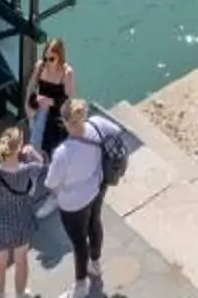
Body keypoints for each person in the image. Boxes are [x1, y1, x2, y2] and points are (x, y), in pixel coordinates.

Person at [44, 95, 116, 298]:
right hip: (97, 188)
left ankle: (80, 286)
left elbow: (50, 183)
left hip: (72, 204)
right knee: (95, 223)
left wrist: (60, 194)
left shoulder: (62, 153)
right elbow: (117, 134)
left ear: (65, 122)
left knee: (78, 242)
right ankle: (95, 263)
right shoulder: (98, 125)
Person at [0, 123, 45, 298]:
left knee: (0, 264)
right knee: (21, 261)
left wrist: (2, 156)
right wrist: (32, 152)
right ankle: (20, 294)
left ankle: (0, 295)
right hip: (21, 221)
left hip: (0, 222)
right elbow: (42, 165)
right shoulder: (28, 170)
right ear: (19, 147)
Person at [28, 37, 73, 153]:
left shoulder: (66, 73)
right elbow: (30, 87)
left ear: (60, 57)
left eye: (52, 59)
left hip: (56, 112)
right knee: (35, 142)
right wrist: (28, 106)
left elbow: (68, 100)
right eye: (45, 58)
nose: (48, 61)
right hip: (40, 107)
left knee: (52, 147)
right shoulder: (40, 66)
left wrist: (51, 101)